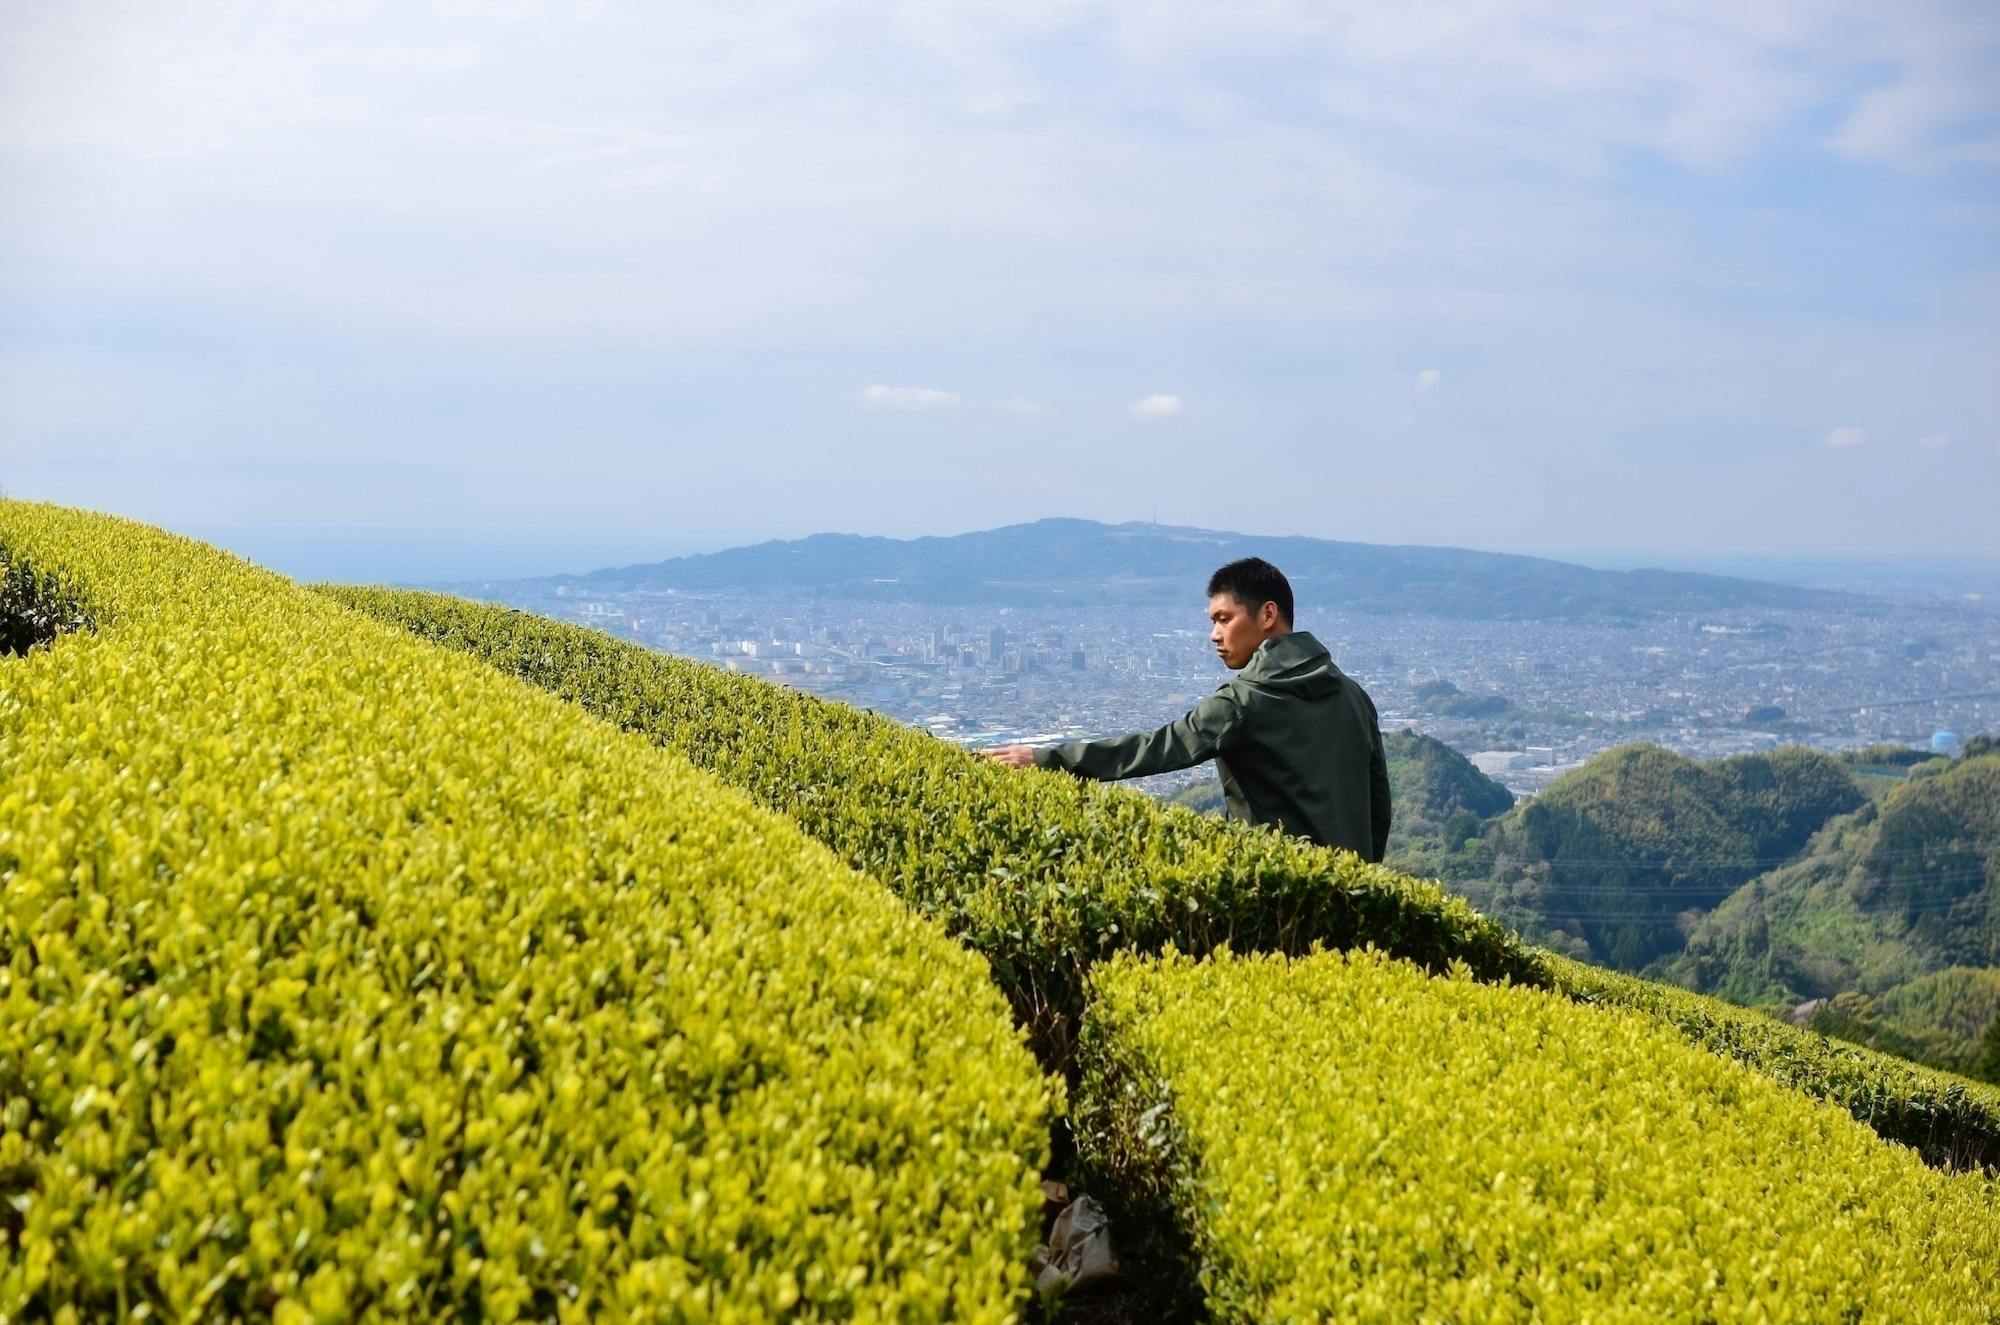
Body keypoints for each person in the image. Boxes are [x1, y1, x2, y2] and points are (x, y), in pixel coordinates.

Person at [983, 556, 1391, 862]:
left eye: (1223, 619)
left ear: (1267, 614)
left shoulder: (1244, 702)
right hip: (1350, 890)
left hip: (1282, 888)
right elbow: (1378, 805)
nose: (1214, 635)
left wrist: (1042, 759)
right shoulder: (1354, 696)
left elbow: (1157, 748)